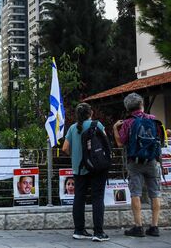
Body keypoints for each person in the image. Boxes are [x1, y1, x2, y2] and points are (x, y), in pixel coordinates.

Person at [112, 92, 162, 237]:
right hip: (152, 161)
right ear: (141, 105)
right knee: (155, 193)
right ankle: (154, 226)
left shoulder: (127, 123)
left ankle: (138, 227)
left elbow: (120, 143)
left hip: (134, 162)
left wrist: (115, 128)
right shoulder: (152, 119)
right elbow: (160, 137)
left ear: (128, 108)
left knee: (136, 193)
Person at [62, 103, 110, 242]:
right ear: (91, 113)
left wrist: (75, 156)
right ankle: (98, 232)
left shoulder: (72, 128)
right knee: (97, 198)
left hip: (79, 168)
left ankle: (79, 230)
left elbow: (65, 147)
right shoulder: (97, 125)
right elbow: (105, 143)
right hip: (96, 167)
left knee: (79, 198)